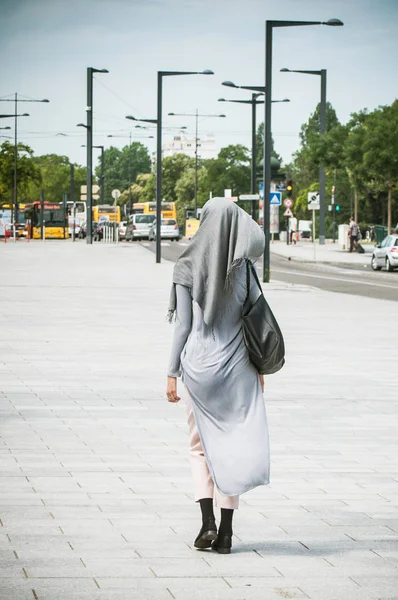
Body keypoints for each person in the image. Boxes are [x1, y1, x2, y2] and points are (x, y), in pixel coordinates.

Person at [166, 198, 270, 555]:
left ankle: (206, 523)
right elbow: (255, 317)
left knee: (199, 448)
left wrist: (171, 373)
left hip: (199, 369)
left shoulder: (185, 266)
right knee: (232, 447)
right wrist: (258, 369)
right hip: (239, 368)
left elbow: (183, 326)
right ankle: (226, 534)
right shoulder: (243, 269)